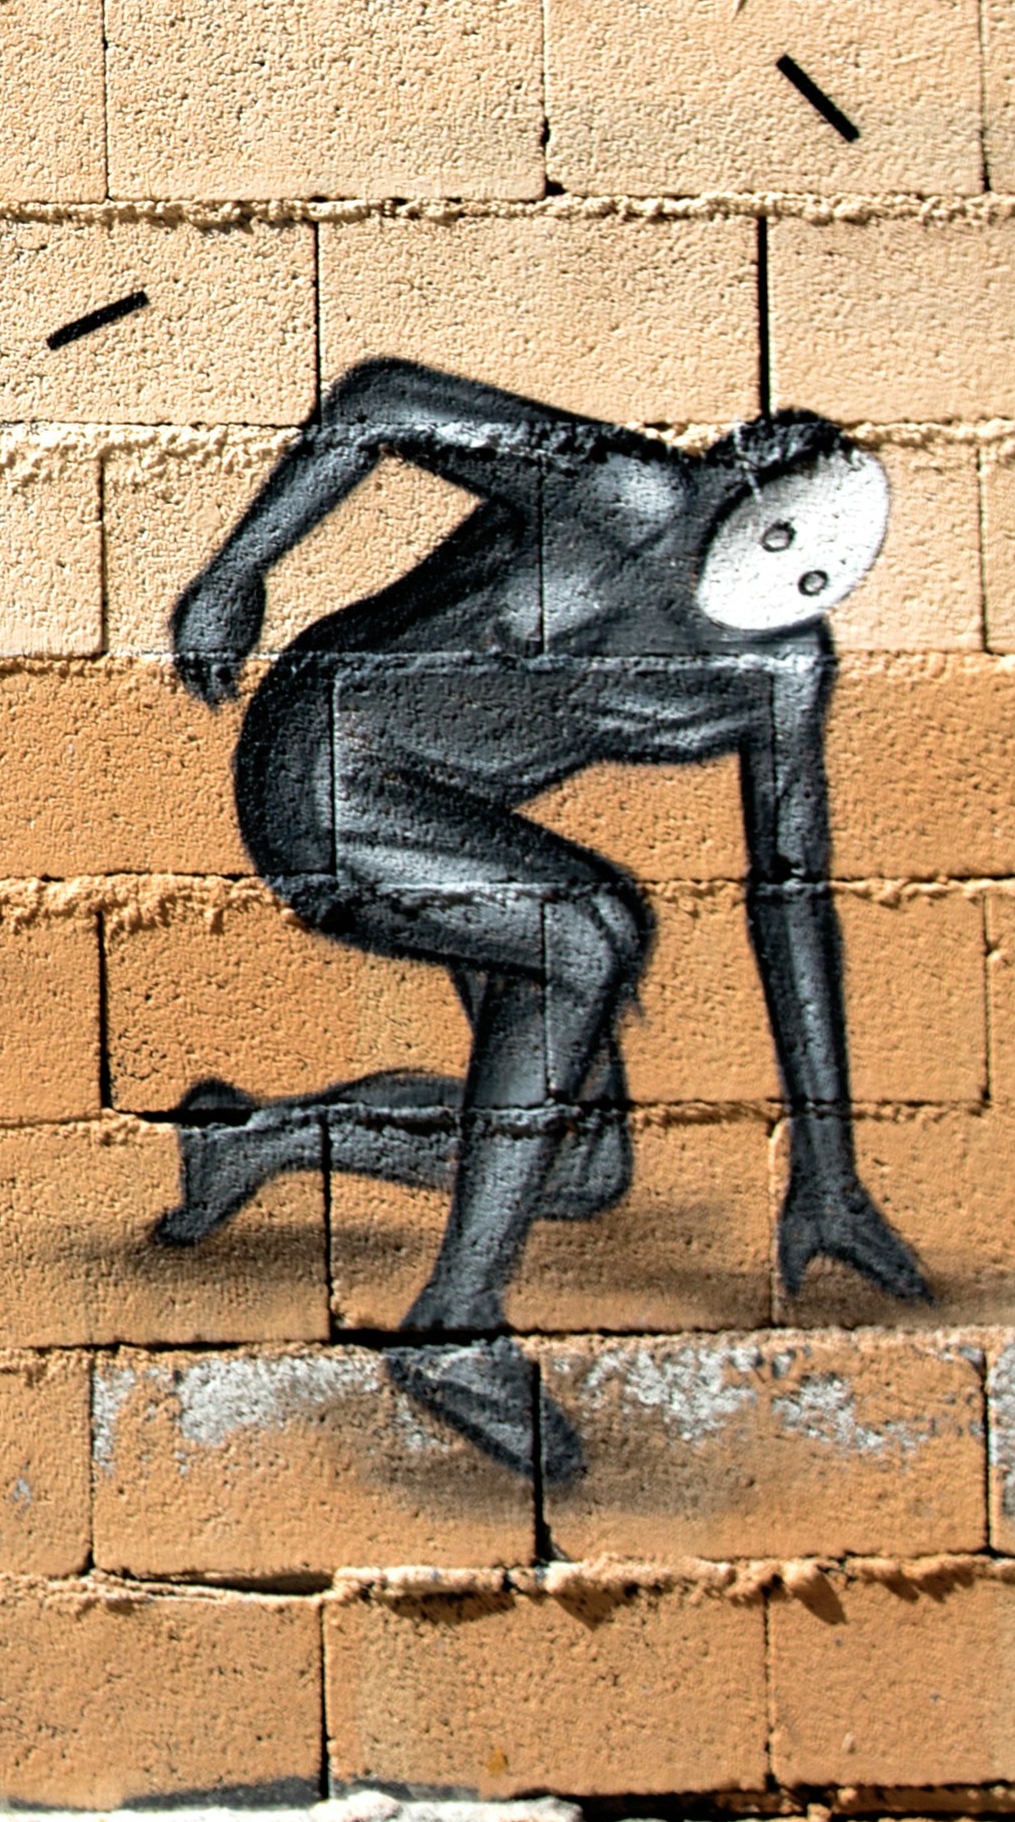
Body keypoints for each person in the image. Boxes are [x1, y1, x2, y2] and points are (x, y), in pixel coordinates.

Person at [153, 367, 931, 1486]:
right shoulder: (620, 487)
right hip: (326, 764)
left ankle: (253, 1141)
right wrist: (237, 569)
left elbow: (791, 895)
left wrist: (826, 1160)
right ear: (721, 486)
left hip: (457, 833)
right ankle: (454, 1328)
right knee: (592, 931)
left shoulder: (779, 669)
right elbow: (379, 399)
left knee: (576, 1164)